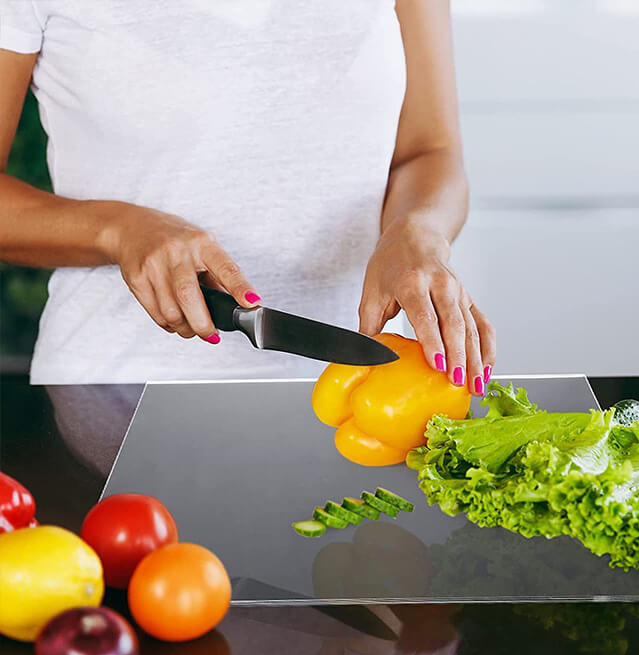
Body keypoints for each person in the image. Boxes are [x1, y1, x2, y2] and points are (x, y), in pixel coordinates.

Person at [0, 0, 495, 392]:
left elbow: (430, 152)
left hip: (359, 391)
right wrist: (118, 230)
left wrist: (417, 233)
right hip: (117, 390)